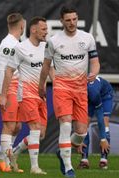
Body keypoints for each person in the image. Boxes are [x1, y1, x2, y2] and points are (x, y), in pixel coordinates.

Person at [38, 6, 100, 178]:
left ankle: (62, 152)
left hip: (81, 89)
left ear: (77, 19)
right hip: (62, 88)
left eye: (74, 19)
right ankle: (68, 167)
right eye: (68, 20)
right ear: (61, 21)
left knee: (81, 132)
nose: (71, 23)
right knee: (65, 124)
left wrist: (94, 73)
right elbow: (46, 66)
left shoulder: (87, 38)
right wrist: (42, 85)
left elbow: (95, 62)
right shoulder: (54, 41)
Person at [0, 16, 52, 175]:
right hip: (26, 95)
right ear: (33, 29)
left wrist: (58, 85)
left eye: (47, 29)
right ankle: (34, 167)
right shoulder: (21, 48)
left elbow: (50, 68)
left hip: (41, 95)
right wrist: (3, 95)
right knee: (34, 128)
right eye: (43, 29)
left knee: (41, 133)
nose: (46, 32)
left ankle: (15, 152)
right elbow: (8, 71)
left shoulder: (46, 47)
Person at [0, 12, 25, 173]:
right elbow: (2, 69)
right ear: (22, 25)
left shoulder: (15, 42)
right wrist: (2, 93)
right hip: (9, 88)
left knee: (17, 126)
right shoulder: (8, 44)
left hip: (17, 87)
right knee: (9, 125)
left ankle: (0, 158)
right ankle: (6, 162)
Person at [77, 76, 112, 169]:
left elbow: (100, 118)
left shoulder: (92, 91)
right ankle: (84, 159)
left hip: (104, 96)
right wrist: (78, 139)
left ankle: (104, 159)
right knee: (84, 123)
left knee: (104, 121)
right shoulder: (75, 93)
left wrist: (103, 139)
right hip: (90, 98)